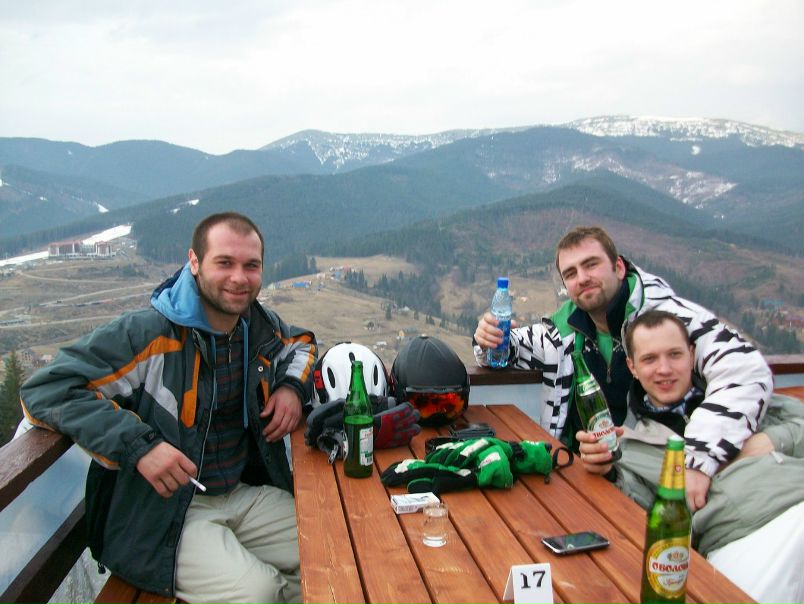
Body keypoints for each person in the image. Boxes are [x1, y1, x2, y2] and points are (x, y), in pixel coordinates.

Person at [20, 212, 316, 604]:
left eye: (251, 265)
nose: (239, 278)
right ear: (194, 262)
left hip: (238, 493)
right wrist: (139, 446)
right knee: (259, 592)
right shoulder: (147, 334)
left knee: (327, 547)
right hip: (162, 515)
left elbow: (302, 345)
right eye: (224, 263)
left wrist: (291, 388)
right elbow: (46, 390)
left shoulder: (256, 326)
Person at [473, 225, 773, 511]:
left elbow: (745, 370)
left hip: (653, 478)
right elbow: (509, 349)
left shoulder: (668, 319)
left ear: (618, 267)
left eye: (591, 264)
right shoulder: (563, 331)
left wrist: (697, 460)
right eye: (571, 273)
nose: (582, 278)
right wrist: (488, 340)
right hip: (584, 475)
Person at [596, 310, 804, 603]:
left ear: (692, 355)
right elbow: (643, 510)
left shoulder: (738, 397)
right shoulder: (634, 449)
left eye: (674, 355)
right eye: (650, 359)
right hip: (745, 536)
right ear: (633, 367)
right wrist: (607, 470)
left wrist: (770, 441)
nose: (664, 369)